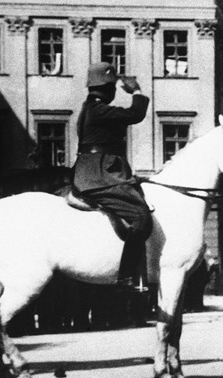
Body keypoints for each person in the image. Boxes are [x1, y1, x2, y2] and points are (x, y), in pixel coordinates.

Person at [72, 62, 151, 291]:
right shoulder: (99, 110)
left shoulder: (91, 108)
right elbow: (136, 114)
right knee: (140, 217)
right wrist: (136, 91)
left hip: (100, 170)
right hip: (99, 174)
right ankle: (127, 276)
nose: (115, 91)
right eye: (113, 87)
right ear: (107, 88)